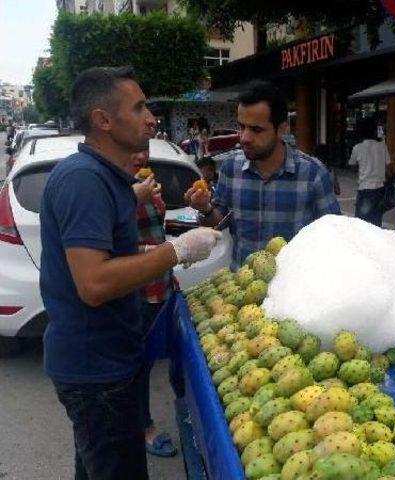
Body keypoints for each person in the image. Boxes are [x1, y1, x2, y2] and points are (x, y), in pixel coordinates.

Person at [39, 66, 221, 480]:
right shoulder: (84, 180)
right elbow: (95, 283)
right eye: (138, 108)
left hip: (106, 361)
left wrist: (137, 208)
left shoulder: (108, 179)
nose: (151, 118)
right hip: (96, 373)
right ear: (103, 120)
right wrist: (176, 250)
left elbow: (109, 249)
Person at [185, 80, 341, 268]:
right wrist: (205, 208)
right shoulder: (230, 168)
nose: (244, 138)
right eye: (242, 127)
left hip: (290, 290)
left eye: (256, 130)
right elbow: (220, 222)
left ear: (282, 129)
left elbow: (335, 236)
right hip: (240, 289)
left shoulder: (313, 174)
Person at [131, 150, 178, 458]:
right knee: (140, 364)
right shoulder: (111, 190)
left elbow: (156, 228)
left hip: (162, 286)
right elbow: (111, 250)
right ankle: (142, 427)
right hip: (138, 290)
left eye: (144, 148)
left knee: (158, 356)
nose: (141, 154)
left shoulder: (144, 181)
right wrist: (173, 252)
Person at [348, 117, 391, 227]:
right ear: (373, 131)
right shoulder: (382, 146)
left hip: (365, 188)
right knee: (376, 222)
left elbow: (352, 165)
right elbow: (388, 166)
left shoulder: (357, 148)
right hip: (381, 189)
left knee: (361, 224)